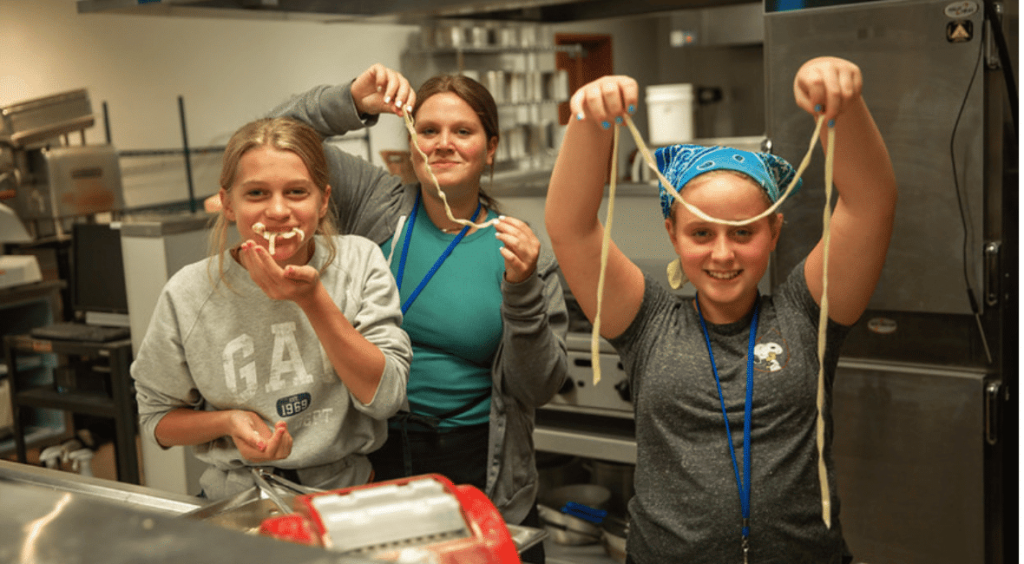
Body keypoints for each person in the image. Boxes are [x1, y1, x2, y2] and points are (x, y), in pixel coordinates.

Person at [545, 57, 897, 563]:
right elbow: (571, 225)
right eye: (702, 233)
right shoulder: (649, 323)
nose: (723, 254)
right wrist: (593, 122)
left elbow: (870, 203)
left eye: (744, 232)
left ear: (773, 233)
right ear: (673, 234)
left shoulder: (806, 314)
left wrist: (843, 106)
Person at [266, 65, 569, 562]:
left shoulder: (518, 249)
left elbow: (539, 387)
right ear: (412, 142)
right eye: (428, 131)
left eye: (462, 132)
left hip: (477, 459)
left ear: (490, 148)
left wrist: (522, 290)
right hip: (374, 451)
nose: (443, 144)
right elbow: (269, 144)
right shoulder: (375, 204)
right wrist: (351, 100)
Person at [132, 117, 412, 500]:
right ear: (229, 204)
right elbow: (156, 418)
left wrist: (312, 301)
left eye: (297, 192)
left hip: (343, 496)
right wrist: (229, 422)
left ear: (324, 200)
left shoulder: (359, 263)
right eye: (257, 194)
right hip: (237, 498)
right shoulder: (189, 292)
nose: (278, 211)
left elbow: (386, 397)